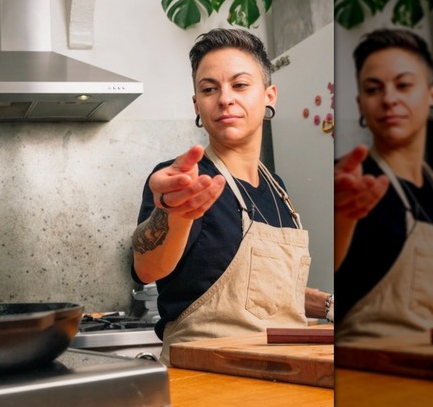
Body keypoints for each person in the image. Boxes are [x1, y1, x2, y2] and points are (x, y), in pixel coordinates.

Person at [130, 28, 333, 364]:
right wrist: (174, 214)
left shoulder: (277, 188)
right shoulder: (184, 180)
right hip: (208, 376)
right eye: (209, 89)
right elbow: (147, 268)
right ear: (197, 104)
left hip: (288, 370)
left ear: (269, 95)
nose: (225, 98)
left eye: (240, 85)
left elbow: (268, 296)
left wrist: (327, 304)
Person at [334, 28, 433, 342]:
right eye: (373, 89)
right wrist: (341, 217)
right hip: (374, 368)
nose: (389, 99)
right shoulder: (351, 182)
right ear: (360, 104)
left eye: (404, 85)